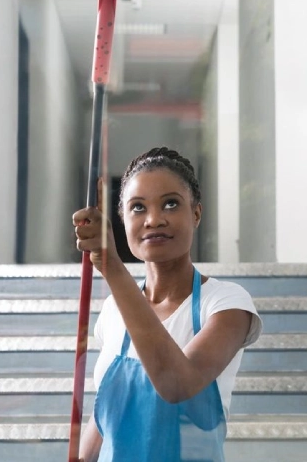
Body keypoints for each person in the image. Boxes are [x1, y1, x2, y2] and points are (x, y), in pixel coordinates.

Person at [73, 146, 262, 462]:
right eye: (137, 208)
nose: (154, 220)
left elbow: (176, 385)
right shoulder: (113, 311)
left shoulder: (226, 305)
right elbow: (106, 418)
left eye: (171, 204)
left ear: (196, 214)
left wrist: (111, 265)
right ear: (122, 219)